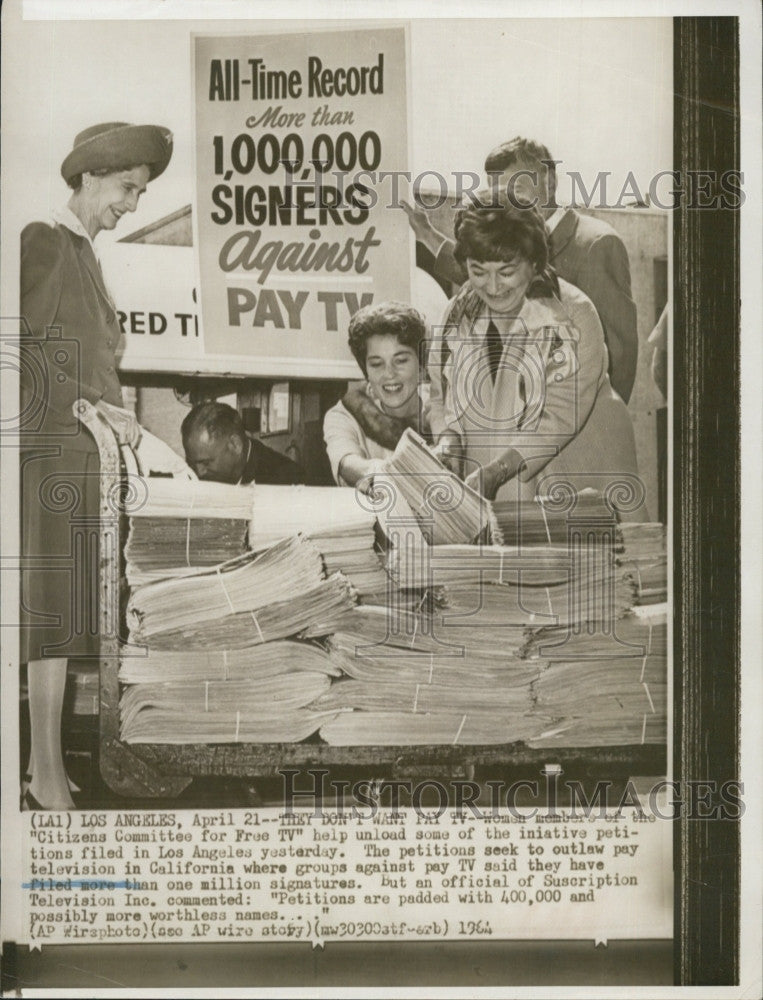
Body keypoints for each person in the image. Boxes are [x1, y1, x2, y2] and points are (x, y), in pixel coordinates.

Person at [20, 121, 173, 809]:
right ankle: (42, 767)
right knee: (50, 614)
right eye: (126, 188)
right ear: (87, 177)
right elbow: (19, 353)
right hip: (52, 454)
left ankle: (45, 764)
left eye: (140, 192)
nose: (133, 205)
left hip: (87, 461)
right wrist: (91, 404)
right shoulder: (44, 241)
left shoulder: (84, 250)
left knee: (78, 613)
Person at [429, 192, 645, 517]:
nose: (492, 287)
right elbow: (439, 395)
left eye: (506, 271)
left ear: (534, 263)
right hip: (500, 484)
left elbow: (559, 416)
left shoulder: (573, 315)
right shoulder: (456, 314)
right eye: (478, 271)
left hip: (578, 474)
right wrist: (448, 442)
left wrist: (497, 470)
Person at [402, 136, 638, 403]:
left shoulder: (596, 243)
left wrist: (593, 432)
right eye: (497, 192)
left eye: (516, 189)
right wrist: (427, 234)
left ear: (549, 182)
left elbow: (619, 357)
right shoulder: (511, 241)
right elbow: (480, 275)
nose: (505, 201)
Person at [323, 302, 431, 492]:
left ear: (421, 365)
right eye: (376, 364)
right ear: (366, 372)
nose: (389, 373)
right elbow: (346, 463)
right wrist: (378, 473)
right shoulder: (343, 415)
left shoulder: (444, 407)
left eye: (401, 360)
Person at [181, 401, 301, 485]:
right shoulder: (198, 475)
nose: (198, 473)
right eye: (191, 463)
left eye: (206, 463)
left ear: (235, 445)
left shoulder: (286, 479)